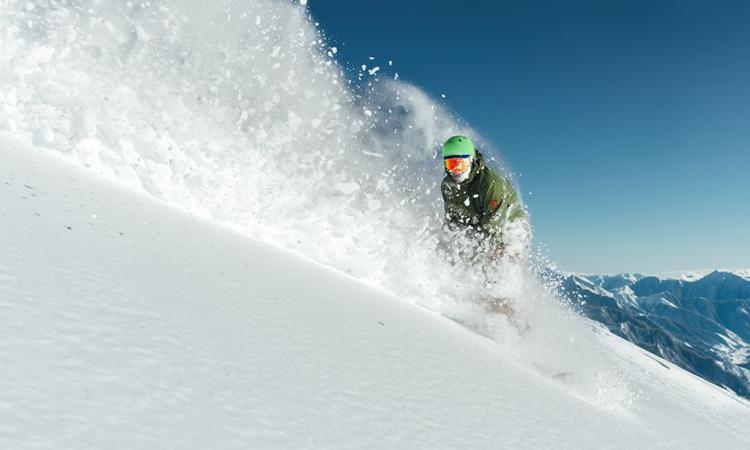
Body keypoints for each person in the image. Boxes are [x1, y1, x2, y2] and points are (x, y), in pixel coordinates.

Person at [440, 135, 527, 262]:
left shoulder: (491, 184)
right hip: (478, 219)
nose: (456, 171)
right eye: (451, 165)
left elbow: (494, 229)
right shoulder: (448, 186)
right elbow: (452, 220)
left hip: (508, 224)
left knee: (500, 255)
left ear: (471, 160)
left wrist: (484, 259)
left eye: (460, 164)